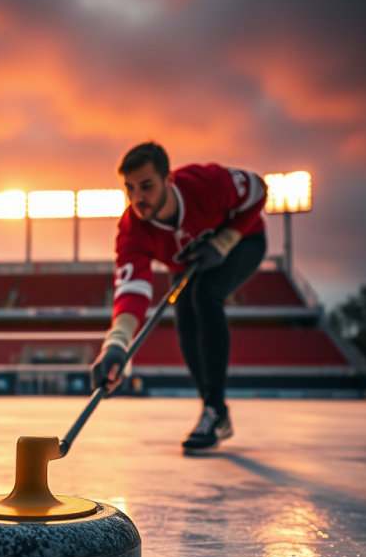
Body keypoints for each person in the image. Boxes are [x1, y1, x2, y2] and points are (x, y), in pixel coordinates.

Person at [90, 141, 267, 453]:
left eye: (146, 186)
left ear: (169, 180)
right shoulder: (132, 230)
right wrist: (116, 344)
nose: (137, 198)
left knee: (206, 294)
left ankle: (214, 409)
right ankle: (215, 410)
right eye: (130, 188)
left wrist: (225, 240)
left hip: (244, 241)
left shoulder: (206, 183)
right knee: (184, 320)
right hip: (189, 264)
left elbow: (258, 189)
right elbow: (132, 290)